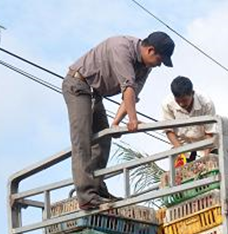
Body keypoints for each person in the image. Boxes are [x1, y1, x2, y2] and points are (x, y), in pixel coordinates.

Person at [63, 32, 175, 209]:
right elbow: (127, 88)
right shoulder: (122, 48)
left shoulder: (146, 67)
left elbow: (131, 95)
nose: (159, 65)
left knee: (104, 139)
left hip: (94, 93)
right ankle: (86, 195)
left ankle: (97, 189)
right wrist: (133, 120)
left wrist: (115, 124)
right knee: (82, 139)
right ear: (150, 50)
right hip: (78, 86)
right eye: (160, 60)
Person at [162, 75, 216, 161]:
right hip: (182, 144)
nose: (181, 104)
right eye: (178, 101)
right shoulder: (167, 104)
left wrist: (206, 158)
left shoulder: (206, 103)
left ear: (192, 93)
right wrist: (180, 152)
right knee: (179, 172)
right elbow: (169, 130)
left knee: (213, 166)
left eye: (184, 100)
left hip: (206, 143)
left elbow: (209, 132)